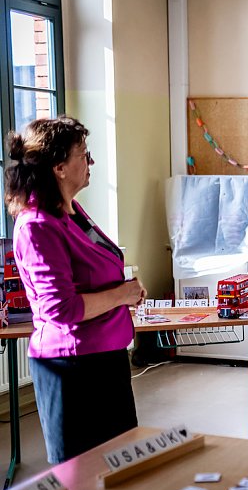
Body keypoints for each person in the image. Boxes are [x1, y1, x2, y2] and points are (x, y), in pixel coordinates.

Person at [4, 116, 146, 464]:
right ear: (59, 167)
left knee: (121, 471)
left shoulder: (72, 212)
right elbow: (60, 310)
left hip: (105, 358)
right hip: (71, 369)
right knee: (80, 486)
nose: (91, 161)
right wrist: (123, 295)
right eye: (83, 153)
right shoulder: (37, 225)